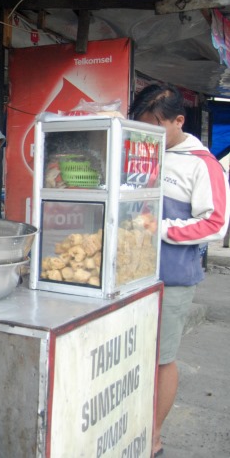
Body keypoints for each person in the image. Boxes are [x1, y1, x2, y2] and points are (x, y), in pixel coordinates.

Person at [129, 82, 230, 458]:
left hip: (172, 277)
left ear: (179, 121)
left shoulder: (203, 165)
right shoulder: (144, 151)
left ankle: (153, 436)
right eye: (143, 124)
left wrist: (164, 230)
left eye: (156, 125)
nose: (150, 132)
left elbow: (216, 224)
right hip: (133, 273)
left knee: (162, 357)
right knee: (136, 354)